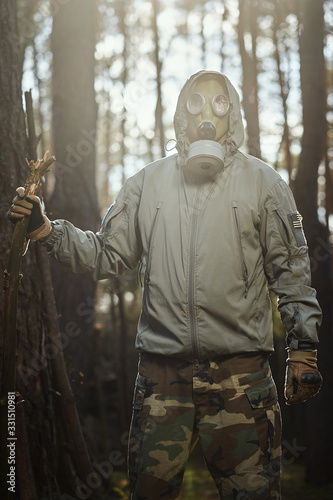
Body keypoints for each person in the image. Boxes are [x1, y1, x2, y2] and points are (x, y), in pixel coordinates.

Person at [8, 70, 323, 499]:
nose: (208, 113)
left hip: (241, 379)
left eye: (220, 103)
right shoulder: (146, 184)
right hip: (161, 380)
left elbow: (292, 271)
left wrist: (303, 351)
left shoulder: (263, 183)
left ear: (233, 115)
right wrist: (46, 230)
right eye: (196, 103)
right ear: (181, 115)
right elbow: (107, 254)